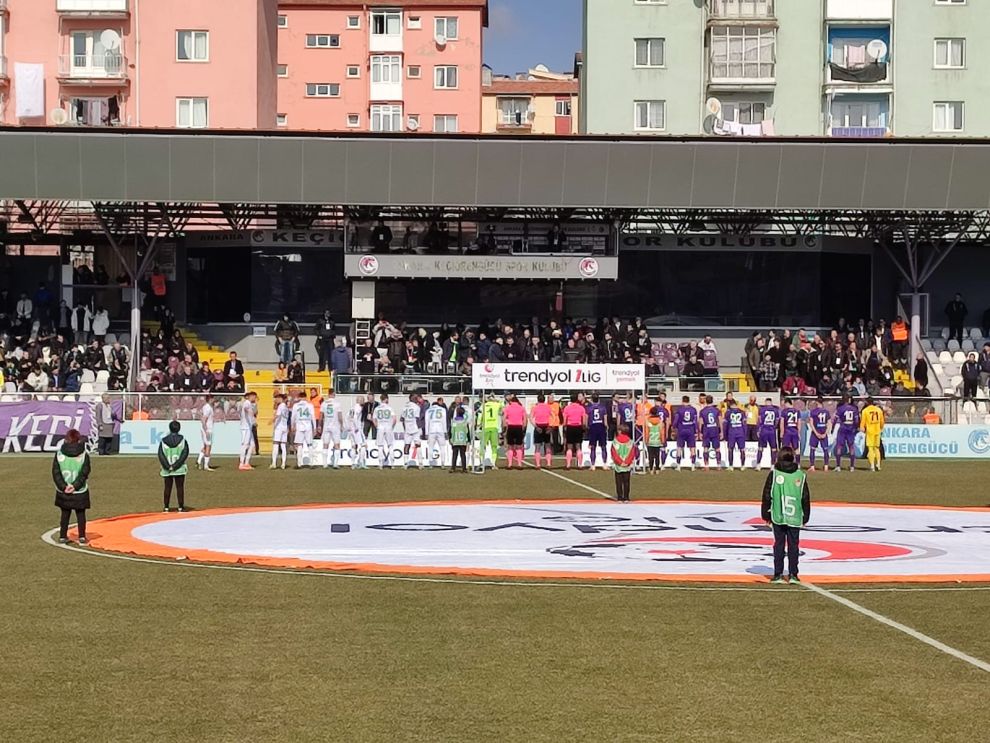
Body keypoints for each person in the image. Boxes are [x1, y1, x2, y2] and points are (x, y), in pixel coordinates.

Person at [761, 447, 811, 584]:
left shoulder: (774, 474)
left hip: (778, 514)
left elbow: (767, 494)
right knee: (794, 545)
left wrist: (766, 515)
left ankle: (778, 574)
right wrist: (805, 516)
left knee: (779, 545)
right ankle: (793, 574)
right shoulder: (800, 475)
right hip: (794, 515)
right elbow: (805, 497)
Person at [53, 429, 92, 545]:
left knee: (65, 514)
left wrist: (64, 486)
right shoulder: (84, 455)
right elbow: (85, 473)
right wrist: (75, 486)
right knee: (80, 514)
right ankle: (82, 537)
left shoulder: (59, 454)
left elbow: (56, 473)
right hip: (80, 490)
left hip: (63, 491)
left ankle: (62, 536)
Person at [158, 421, 190, 512]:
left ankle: (166, 507)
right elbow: (184, 454)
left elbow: (161, 455)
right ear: (179, 429)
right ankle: (180, 507)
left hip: (166, 469)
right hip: (179, 469)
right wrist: (175, 466)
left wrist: (168, 466)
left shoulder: (163, 441)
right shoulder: (183, 440)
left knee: (167, 488)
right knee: (180, 488)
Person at [832, 394, 861, 472]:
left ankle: (838, 466)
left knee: (839, 446)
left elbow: (835, 419)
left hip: (843, 428)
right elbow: (857, 420)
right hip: (851, 428)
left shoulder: (840, 409)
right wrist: (856, 428)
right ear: (848, 400)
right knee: (851, 446)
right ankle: (852, 467)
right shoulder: (854, 409)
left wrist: (832, 428)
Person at [610, 424, 637, 503]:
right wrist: (627, 462)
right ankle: (626, 497)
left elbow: (614, 453)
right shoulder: (630, 442)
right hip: (627, 465)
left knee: (619, 482)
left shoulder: (615, 441)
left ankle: (620, 497)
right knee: (626, 482)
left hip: (618, 466)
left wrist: (620, 462)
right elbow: (632, 454)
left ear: (620, 431)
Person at [860, 397, 886, 473]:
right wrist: (880, 428)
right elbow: (882, 421)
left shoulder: (865, 411)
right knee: (877, 448)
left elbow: (863, 422)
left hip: (870, 431)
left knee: (870, 449)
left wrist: (862, 428)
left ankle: (872, 466)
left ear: (867, 403)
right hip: (877, 431)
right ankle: (878, 464)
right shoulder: (878, 410)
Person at [562, 394, 587, 470]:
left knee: (569, 447)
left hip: (570, 427)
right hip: (578, 427)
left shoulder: (567, 408)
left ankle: (568, 465)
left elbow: (565, 419)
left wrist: (564, 426)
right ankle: (580, 465)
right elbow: (584, 418)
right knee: (578, 447)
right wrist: (584, 426)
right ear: (577, 399)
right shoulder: (581, 408)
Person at [672, 397, 697, 470]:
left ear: (682, 401)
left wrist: (674, 427)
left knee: (679, 448)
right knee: (692, 448)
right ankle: (693, 466)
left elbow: (676, 420)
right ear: (689, 401)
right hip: (691, 430)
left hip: (681, 430)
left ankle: (678, 466)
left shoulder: (679, 410)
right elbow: (695, 421)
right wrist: (696, 430)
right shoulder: (693, 409)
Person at [585, 393, 609, 470]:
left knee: (593, 446)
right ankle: (605, 464)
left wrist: (586, 426)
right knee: (603, 446)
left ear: (592, 399)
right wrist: (606, 425)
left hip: (593, 426)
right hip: (601, 426)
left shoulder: (589, 408)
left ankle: (593, 465)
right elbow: (605, 418)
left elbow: (586, 417)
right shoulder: (602, 407)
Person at [292, 391, 316, 467]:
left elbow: (293, 417)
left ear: (299, 397)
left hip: (299, 426)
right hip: (308, 426)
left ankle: (299, 463)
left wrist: (292, 425)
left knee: (299, 445)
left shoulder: (296, 405)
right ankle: (311, 463)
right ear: (305, 397)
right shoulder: (310, 405)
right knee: (309, 444)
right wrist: (314, 427)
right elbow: (313, 417)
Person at [503, 394, 527, 470]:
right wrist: (523, 427)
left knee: (510, 446)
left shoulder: (508, 408)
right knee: (519, 446)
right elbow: (525, 419)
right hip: (519, 427)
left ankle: (510, 464)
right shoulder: (521, 408)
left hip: (510, 427)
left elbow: (504, 418)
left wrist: (504, 427)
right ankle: (519, 464)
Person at [320, 393, 344, 469]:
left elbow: (321, 416)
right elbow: (339, 416)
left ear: (328, 395)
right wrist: (341, 424)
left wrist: (319, 425)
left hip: (326, 426)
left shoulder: (324, 403)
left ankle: (324, 464)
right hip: (335, 426)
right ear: (334, 394)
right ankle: (335, 464)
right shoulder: (337, 404)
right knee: (337, 444)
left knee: (325, 444)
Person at [372, 394, 397, 469]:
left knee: (380, 446)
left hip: (380, 427)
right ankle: (392, 464)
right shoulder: (389, 408)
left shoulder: (377, 408)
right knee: (390, 445)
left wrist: (377, 426)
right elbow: (394, 419)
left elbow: (374, 419)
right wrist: (391, 426)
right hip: (388, 427)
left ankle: (380, 464)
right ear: (386, 399)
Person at [807, 397, 831, 472]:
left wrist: (816, 433)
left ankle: (812, 466)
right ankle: (826, 466)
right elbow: (829, 423)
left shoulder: (813, 411)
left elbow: (811, 423)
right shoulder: (826, 412)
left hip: (815, 433)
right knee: (825, 449)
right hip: (823, 431)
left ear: (817, 402)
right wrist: (825, 433)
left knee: (812, 449)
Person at [479, 393, 503, 470]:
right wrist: (496, 400)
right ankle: (493, 464)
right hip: (494, 428)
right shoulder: (496, 405)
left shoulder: (483, 406)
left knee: (483, 446)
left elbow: (480, 415)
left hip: (485, 427)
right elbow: (503, 404)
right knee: (494, 446)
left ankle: (481, 463)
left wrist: (478, 424)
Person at [755, 398, 780, 470]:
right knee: (773, 448)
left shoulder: (762, 409)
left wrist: (758, 429)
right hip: (772, 431)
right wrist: (774, 427)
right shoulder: (775, 410)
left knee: (760, 447)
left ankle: (758, 465)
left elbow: (759, 420)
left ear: (766, 402)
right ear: (771, 403)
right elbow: (777, 421)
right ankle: (772, 465)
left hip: (764, 430)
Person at [698, 395, 722, 471]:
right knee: (717, 449)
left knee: (706, 448)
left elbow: (700, 423)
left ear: (706, 401)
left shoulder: (703, 411)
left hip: (706, 431)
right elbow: (720, 421)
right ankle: (718, 465)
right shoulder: (717, 410)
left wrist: (700, 432)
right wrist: (721, 431)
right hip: (715, 430)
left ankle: (706, 466)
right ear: (712, 400)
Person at [723, 398, 747, 470]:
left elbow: (725, 425)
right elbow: (745, 424)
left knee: (730, 449)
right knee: (742, 449)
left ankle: (731, 466)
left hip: (731, 433)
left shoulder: (728, 413)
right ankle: (742, 466)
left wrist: (725, 435)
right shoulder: (742, 412)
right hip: (740, 432)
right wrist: (745, 433)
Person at [401, 394, 424, 469]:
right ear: (412, 398)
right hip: (415, 428)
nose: (416, 399)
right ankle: (420, 463)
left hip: (407, 428)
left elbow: (402, 419)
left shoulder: (405, 406)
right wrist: (420, 428)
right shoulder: (416, 407)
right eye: (415, 398)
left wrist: (405, 428)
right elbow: (417, 419)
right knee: (418, 445)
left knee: (407, 444)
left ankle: (405, 463)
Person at [425, 398, 449, 469]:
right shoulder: (442, 410)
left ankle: (430, 463)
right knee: (442, 447)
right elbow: (444, 421)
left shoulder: (428, 410)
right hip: (440, 429)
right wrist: (445, 432)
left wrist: (426, 433)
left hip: (431, 430)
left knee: (430, 447)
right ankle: (443, 463)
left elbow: (427, 422)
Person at [530, 394, 552, 469]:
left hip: (538, 426)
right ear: (544, 400)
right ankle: (548, 463)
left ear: (537, 400)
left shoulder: (535, 407)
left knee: (537, 447)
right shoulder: (548, 407)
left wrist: (535, 426)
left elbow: (530, 418)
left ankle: (538, 464)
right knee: (548, 446)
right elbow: (553, 417)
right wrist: (550, 426)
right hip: (546, 426)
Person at [644, 406, 667, 474]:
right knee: (657, 456)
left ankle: (651, 469)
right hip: (657, 441)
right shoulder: (660, 422)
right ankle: (657, 469)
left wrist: (646, 440)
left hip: (650, 441)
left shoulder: (648, 421)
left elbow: (647, 432)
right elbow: (662, 433)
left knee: (650, 456)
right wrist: (662, 441)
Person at [238, 391, 258, 471]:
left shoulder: (250, 404)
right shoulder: (247, 403)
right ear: (251, 396)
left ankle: (246, 463)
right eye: (254, 397)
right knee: (245, 445)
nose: (255, 399)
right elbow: (246, 410)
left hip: (248, 427)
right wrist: (253, 419)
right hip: (245, 427)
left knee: (252, 444)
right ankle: (241, 463)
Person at [348, 395, 369, 469]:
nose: (364, 401)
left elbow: (348, 417)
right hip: (357, 429)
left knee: (353, 446)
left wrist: (349, 427)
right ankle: (361, 463)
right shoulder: (358, 408)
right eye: (363, 400)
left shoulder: (352, 408)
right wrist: (357, 427)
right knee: (363, 445)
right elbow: (355, 418)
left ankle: (353, 464)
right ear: (359, 400)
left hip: (351, 429)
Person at [197, 394, 216, 471]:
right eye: (213, 399)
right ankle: (206, 466)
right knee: (208, 446)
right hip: (208, 429)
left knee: (205, 446)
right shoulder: (208, 408)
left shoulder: (205, 407)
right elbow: (203, 419)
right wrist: (206, 430)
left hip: (204, 429)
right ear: (210, 399)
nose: (214, 400)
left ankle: (198, 461)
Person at [780, 399, 802, 465]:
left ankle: (784, 463)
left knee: (785, 449)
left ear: (787, 403)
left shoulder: (784, 411)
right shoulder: (797, 411)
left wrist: (781, 432)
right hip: (795, 432)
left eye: (784, 404)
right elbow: (799, 423)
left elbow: (782, 422)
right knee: (796, 449)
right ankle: (798, 464)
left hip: (787, 432)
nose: (784, 406)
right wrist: (799, 432)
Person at [271, 393, 290, 470]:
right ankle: (283, 464)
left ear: (280, 399)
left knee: (275, 444)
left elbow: (278, 415)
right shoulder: (285, 407)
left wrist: (271, 420)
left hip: (279, 427)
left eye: (277, 398)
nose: (276, 400)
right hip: (284, 427)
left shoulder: (281, 406)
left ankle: (274, 463)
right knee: (283, 445)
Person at [449, 405, 470, 473]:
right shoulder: (464, 422)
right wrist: (468, 440)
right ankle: (464, 468)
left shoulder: (454, 422)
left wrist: (450, 439)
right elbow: (467, 432)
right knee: (463, 455)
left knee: (454, 455)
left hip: (455, 440)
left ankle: (453, 468)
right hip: (463, 441)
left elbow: (451, 431)